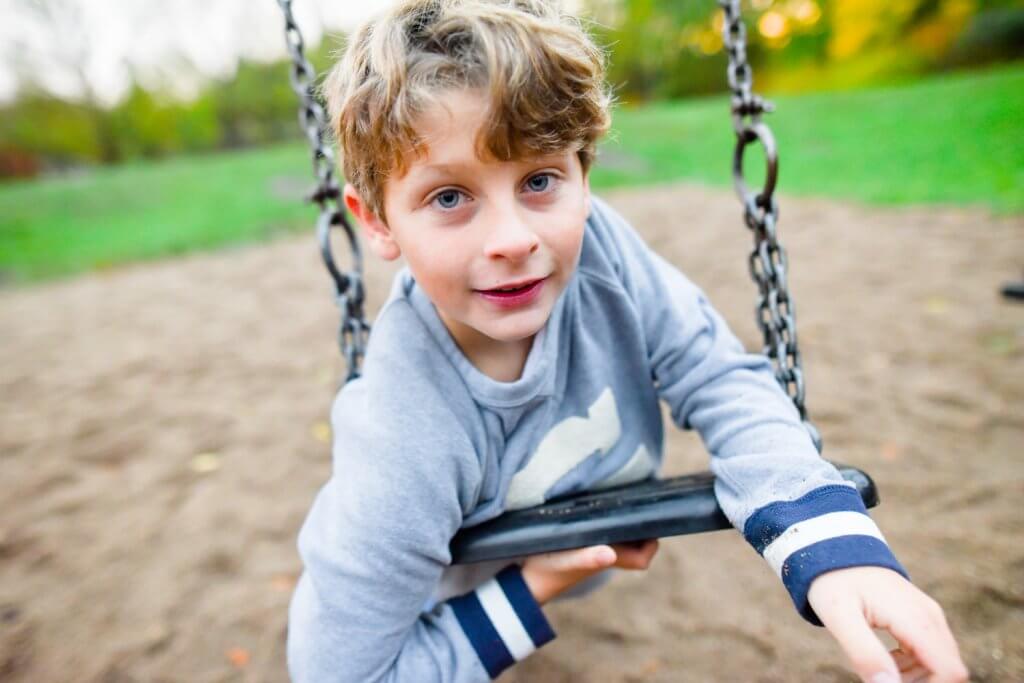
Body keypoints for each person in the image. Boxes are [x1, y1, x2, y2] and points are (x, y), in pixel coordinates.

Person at [287, 1, 969, 681]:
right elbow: (340, 673)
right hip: (462, 593)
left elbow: (716, 371)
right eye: (448, 198)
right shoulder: (404, 441)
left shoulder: (603, 253)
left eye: (540, 180)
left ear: (584, 176)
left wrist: (836, 549)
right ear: (375, 222)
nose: (513, 238)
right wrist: (536, 586)